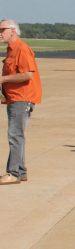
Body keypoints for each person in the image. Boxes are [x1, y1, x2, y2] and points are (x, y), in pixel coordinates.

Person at [0, 20, 42, 184]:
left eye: (2, 29)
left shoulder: (21, 49)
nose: (0, 33)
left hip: (22, 98)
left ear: (12, 31)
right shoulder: (11, 50)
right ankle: (21, 171)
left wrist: (3, 79)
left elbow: (28, 75)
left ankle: (13, 173)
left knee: (14, 135)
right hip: (13, 98)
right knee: (17, 135)